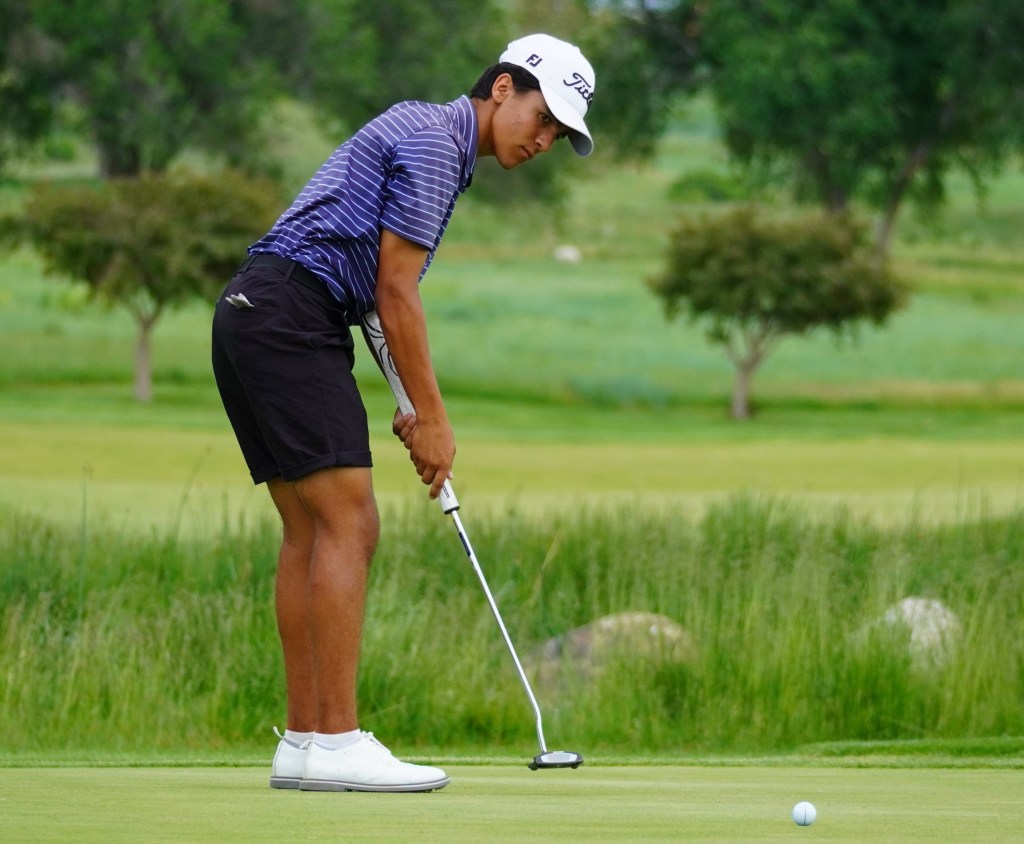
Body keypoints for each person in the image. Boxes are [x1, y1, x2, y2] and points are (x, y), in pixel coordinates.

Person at [211, 33, 596, 793]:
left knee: (310, 529)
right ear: (502, 89)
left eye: (558, 133)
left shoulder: (424, 132)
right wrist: (434, 419)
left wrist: (410, 407)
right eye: (543, 117)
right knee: (351, 524)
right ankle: (338, 742)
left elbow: (376, 302)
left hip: (254, 312)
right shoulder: (435, 145)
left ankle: (305, 743)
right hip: (293, 315)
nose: (544, 140)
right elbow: (395, 291)